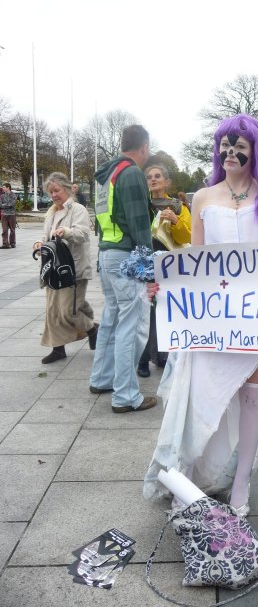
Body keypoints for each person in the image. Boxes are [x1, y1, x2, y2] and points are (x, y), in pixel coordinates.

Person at [143, 114, 258, 517]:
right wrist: (166, 286)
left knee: (252, 400)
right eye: (224, 144)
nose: (229, 152)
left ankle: (241, 483)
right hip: (211, 318)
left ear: (254, 150)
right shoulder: (203, 197)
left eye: (238, 145)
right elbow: (195, 261)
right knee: (201, 398)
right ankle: (186, 478)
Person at [89, 124, 157, 414]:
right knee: (133, 326)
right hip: (127, 258)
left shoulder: (107, 177)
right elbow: (139, 223)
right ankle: (126, 396)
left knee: (111, 321)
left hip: (107, 254)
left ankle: (102, 379)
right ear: (144, 146)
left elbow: (102, 221)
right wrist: (149, 268)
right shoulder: (131, 174)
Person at [32, 172, 97, 364]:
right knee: (53, 310)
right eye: (50, 191)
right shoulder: (51, 212)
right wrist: (39, 243)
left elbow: (83, 234)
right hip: (52, 269)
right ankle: (58, 349)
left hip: (73, 268)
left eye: (57, 190)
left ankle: (93, 329)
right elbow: (47, 238)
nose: (53, 195)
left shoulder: (78, 210)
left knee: (70, 311)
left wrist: (66, 232)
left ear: (67, 189)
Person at [137, 165, 192, 378]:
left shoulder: (177, 206)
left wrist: (176, 221)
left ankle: (163, 355)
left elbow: (186, 238)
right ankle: (142, 360)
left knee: (165, 311)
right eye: (149, 177)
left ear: (167, 182)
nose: (153, 180)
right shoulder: (142, 205)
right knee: (145, 311)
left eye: (158, 176)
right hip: (144, 263)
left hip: (169, 266)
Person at [1, 183, 17, 248]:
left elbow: (12, 204)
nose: (3, 188)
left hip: (12, 214)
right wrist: (6, 205)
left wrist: (4, 205)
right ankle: (5, 244)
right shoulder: (2, 196)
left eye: (4, 187)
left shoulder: (13, 195)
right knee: (4, 230)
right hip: (4, 215)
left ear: (8, 187)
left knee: (12, 230)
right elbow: (0, 205)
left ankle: (12, 243)